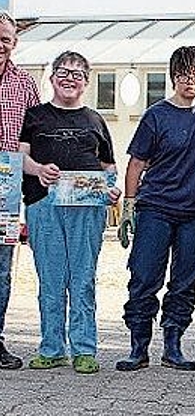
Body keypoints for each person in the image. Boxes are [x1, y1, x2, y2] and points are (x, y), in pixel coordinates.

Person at [19, 51, 121, 374]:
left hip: (86, 208)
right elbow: (21, 158)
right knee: (50, 280)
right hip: (42, 204)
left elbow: (109, 166)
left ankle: (84, 349)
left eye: (77, 75)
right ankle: (51, 348)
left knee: (82, 278)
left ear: (86, 83)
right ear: (51, 79)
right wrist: (38, 170)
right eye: (63, 72)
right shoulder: (34, 116)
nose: (69, 79)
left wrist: (111, 189)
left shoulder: (96, 120)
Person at [115, 46, 195, 372]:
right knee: (143, 276)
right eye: (184, 76)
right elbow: (136, 163)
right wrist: (129, 207)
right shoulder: (156, 115)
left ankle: (173, 345)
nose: (191, 83)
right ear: (173, 78)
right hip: (156, 207)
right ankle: (138, 346)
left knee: (185, 281)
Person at [0, 11, 40, 370]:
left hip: (7, 198)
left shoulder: (25, 84)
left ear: (14, 43)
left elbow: (38, 139)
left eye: (5, 39)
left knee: (1, 269)